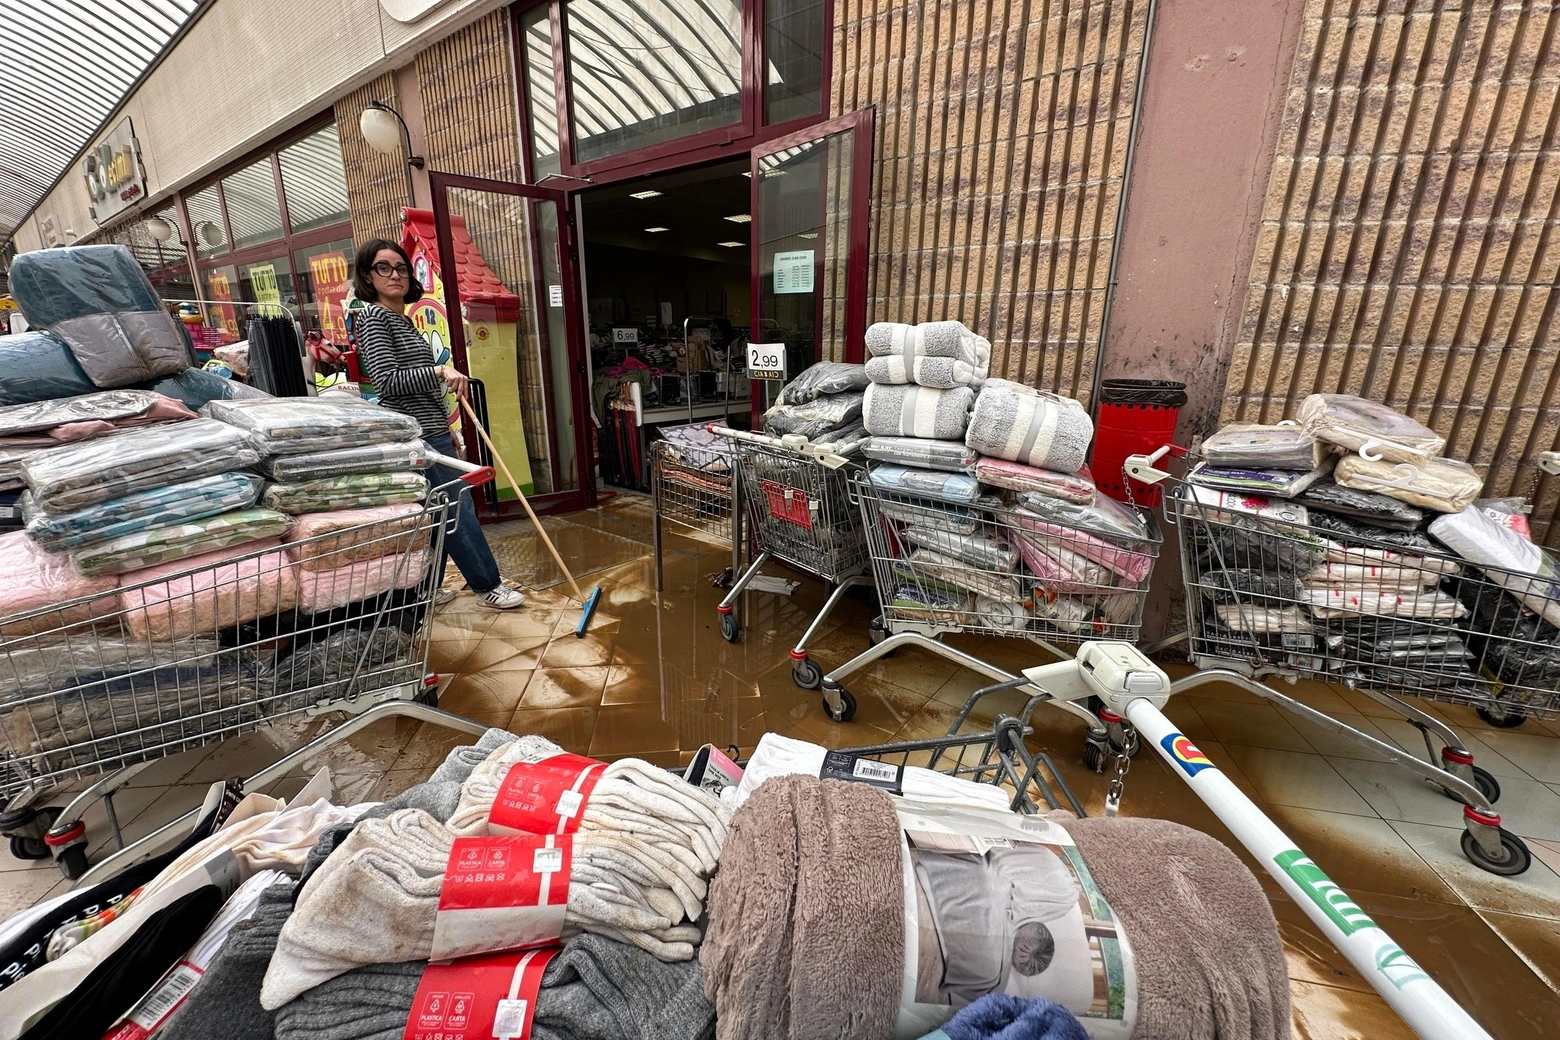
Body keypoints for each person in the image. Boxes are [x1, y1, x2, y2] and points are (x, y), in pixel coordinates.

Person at [351, 238, 526, 609]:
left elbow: (413, 381)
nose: (395, 275)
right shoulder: (374, 318)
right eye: (384, 267)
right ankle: (487, 585)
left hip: (430, 429)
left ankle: (426, 589)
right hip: (414, 434)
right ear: (368, 275)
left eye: (400, 267)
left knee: (436, 512)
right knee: (457, 509)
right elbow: (388, 381)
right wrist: (439, 369)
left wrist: (447, 428)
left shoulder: (401, 319)